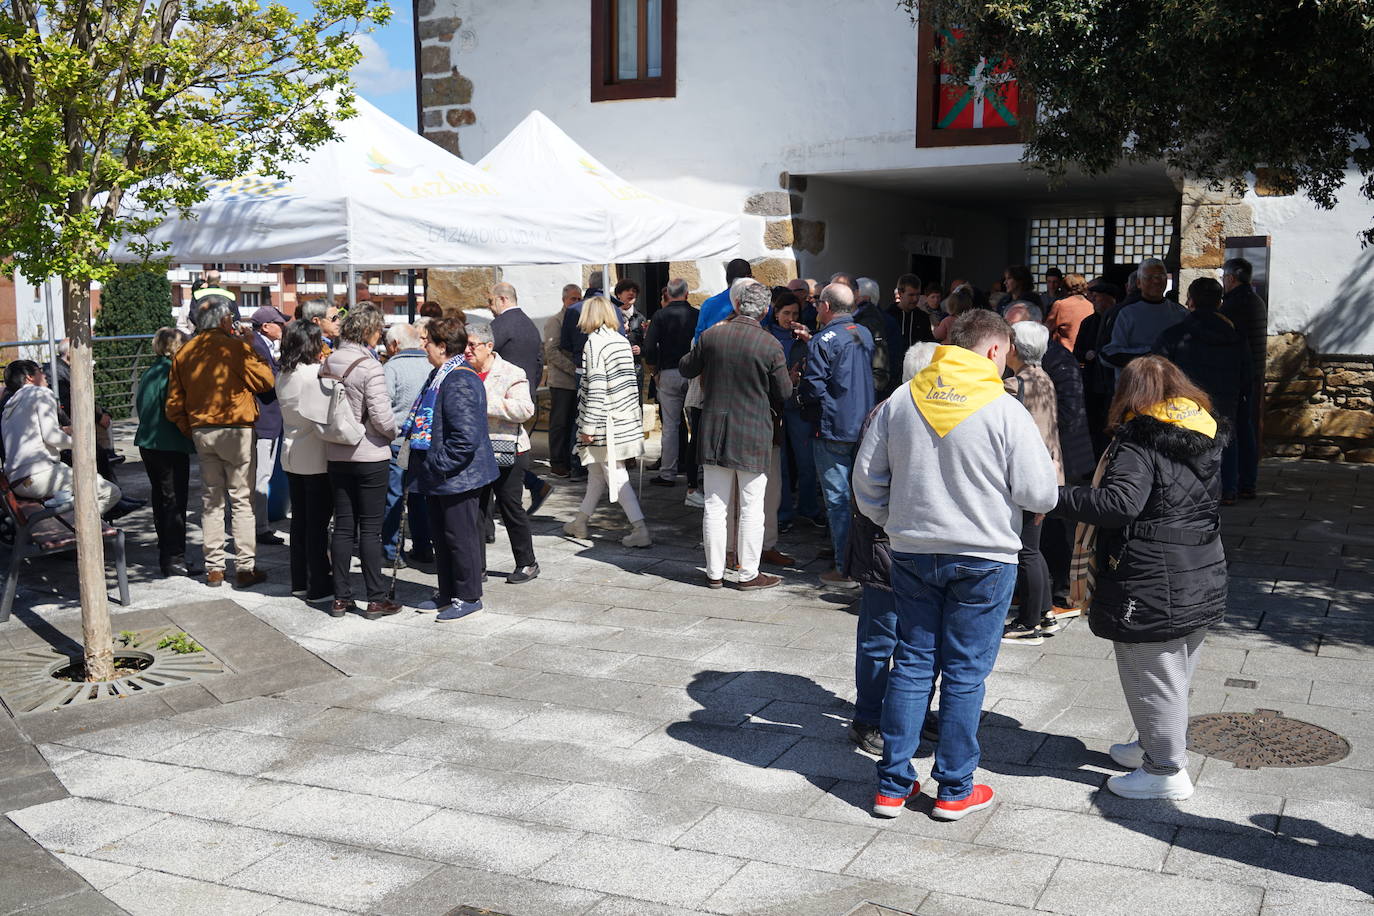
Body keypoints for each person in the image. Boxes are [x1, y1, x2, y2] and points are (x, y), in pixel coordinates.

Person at [853, 309, 1058, 821]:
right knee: (965, 674)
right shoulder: (1005, 409)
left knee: (913, 662)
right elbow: (1040, 492)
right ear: (993, 350)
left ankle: (892, 785)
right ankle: (953, 788)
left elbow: (866, 484)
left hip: (913, 552)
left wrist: (898, 521)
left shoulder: (902, 400)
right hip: (985, 556)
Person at [1055, 355, 1228, 800]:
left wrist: (1056, 497)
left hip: (1153, 578)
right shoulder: (1203, 431)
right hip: (1201, 568)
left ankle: (1165, 769)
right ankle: (1151, 744)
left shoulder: (1139, 441)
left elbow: (1118, 506)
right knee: (1176, 669)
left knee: (1151, 672)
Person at [847, 341, 937, 754]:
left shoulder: (931, 414)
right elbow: (867, 485)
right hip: (885, 542)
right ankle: (868, 717)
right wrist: (891, 525)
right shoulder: (888, 414)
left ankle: (911, 709)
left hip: (918, 542)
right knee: (880, 637)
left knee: (920, 636)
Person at [679, 282, 791, 590]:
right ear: (766, 310)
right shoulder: (769, 345)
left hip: (715, 428)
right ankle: (748, 573)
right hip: (754, 431)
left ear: (737, 305)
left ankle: (714, 572)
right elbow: (784, 391)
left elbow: (687, 367)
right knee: (752, 506)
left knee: (715, 504)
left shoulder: (713, 335)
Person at [166, 300, 275, 588]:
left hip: (203, 430)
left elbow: (174, 403)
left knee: (211, 501)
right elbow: (265, 381)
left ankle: (214, 567)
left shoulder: (185, 351)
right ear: (225, 321)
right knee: (241, 500)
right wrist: (251, 346)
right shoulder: (235, 347)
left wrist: (190, 428)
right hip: (237, 428)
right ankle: (244, 566)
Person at [409, 317, 499, 621]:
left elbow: (465, 437)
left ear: (443, 346)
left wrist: (437, 464)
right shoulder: (441, 374)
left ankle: (468, 595)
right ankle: (448, 593)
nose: (424, 347)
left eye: (427, 341)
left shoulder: (459, 378)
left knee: (460, 538)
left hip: (457, 475)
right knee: (443, 537)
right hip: (441, 476)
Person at [320, 305, 401, 620]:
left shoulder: (329, 361)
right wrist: (394, 432)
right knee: (370, 529)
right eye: (378, 329)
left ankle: (340, 598)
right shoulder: (370, 366)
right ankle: (376, 599)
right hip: (368, 452)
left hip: (336, 452)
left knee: (342, 526)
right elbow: (381, 416)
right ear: (369, 331)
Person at [801, 282, 875, 587]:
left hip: (833, 427)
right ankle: (854, 555)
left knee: (837, 499)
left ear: (826, 307)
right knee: (860, 498)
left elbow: (813, 388)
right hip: (863, 425)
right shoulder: (863, 333)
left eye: (819, 303)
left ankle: (845, 567)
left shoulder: (822, 340)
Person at [1153, 277, 1252, 503]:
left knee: (1189, 443)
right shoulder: (1236, 335)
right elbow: (1248, 372)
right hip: (1227, 397)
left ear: (1190, 301)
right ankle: (1228, 490)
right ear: (1219, 302)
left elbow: (1159, 369)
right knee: (1227, 441)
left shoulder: (1174, 334)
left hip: (1187, 400)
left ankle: (1192, 491)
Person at [564, 296, 652, 548]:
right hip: (623, 417)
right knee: (597, 472)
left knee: (614, 474)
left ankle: (640, 528)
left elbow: (597, 388)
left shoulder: (595, 343)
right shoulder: (621, 341)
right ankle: (580, 521)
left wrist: (588, 427)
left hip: (605, 422)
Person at [1000, 320, 1065, 644]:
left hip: (1030, 477)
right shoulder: (1043, 378)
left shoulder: (1015, 385)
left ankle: (1029, 622)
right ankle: (1044, 613)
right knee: (1032, 548)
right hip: (1047, 474)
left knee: (1026, 550)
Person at [465, 320, 540, 584]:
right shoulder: (463, 371)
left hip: (508, 450)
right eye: (465, 344)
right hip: (474, 452)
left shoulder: (511, 372)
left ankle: (527, 562)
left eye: (472, 345)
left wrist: (484, 403)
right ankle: (477, 567)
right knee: (476, 510)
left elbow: (525, 410)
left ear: (488, 346)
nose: (467, 350)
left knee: (510, 508)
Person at [3, 360, 122, 514]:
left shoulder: (9, 407)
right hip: (40, 475)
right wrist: (81, 444)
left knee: (78, 490)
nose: (44, 374)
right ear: (29, 377)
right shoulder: (40, 393)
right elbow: (52, 437)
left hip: (18, 481)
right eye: (39, 370)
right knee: (111, 492)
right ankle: (77, 532)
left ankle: (69, 521)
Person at [275, 321, 335, 608]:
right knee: (317, 526)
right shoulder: (315, 374)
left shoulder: (283, 374)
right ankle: (319, 584)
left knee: (300, 523)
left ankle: (299, 581)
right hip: (316, 455)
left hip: (292, 453)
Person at [134, 329, 197, 576]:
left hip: (149, 443)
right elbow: (176, 409)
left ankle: (168, 552)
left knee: (161, 499)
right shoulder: (173, 372)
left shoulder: (151, 371)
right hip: (169, 444)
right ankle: (174, 558)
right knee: (174, 501)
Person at [488, 282, 552, 513]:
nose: (489, 307)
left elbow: (483, 356)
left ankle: (533, 486)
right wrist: (529, 391)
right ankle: (534, 486)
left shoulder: (501, 324)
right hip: (523, 397)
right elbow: (537, 363)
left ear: (503, 299)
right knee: (509, 449)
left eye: (490, 301)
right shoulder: (529, 324)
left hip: (502, 399)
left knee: (500, 449)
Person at [765, 293, 823, 530]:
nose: (790, 318)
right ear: (776, 313)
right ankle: (783, 513)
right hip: (775, 406)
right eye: (786, 313)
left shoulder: (804, 338)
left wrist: (809, 341)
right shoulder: (765, 336)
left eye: (795, 313)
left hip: (799, 406)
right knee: (781, 464)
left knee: (806, 461)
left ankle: (808, 508)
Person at [381, 322, 434, 565]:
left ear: (394, 345)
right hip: (425, 441)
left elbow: (384, 406)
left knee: (394, 497)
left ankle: (393, 552)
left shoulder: (391, 368)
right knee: (420, 497)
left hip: (398, 441)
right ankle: (423, 547)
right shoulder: (431, 365)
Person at [1220, 257, 1267, 500]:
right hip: (1253, 372)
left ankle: (1237, 481)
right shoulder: (1256, 300)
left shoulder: (1233, 305)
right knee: (1246, 427)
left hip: (1237, 374)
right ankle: (1248, 481)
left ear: (1231, 278)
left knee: (1235, 428)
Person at [643, 278, 697, 488]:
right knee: (697, 424)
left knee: (670, 427)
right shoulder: (696, 314)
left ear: (669, 294)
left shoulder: (660, 315)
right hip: (693, 372)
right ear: (687, 293)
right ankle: (698, 471)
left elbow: (648, 347)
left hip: (669, 372)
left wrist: (654, 369)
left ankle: (668, 473)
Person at [1101, 258, 1188, 372]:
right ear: (1138, 283)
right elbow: (1107, 354)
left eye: (1161, 276)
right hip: (1135, 384)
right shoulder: (1124, 313)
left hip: (1170, 384)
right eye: (1149, 277)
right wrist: (1150, 354)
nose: (1156, 281)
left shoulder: (1180, 313)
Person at [248, 306, 288, 546]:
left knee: (262, 473)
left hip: (268, 419)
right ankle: (259, 527)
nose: (282, 327)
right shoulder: (256, 346)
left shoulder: (261, 345)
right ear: (265, 326)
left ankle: (258, 524)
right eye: (279, 323)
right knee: (261, 475)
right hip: (264, 420)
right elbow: (268, 381)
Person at [542, 283, 582, 478]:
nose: (576, 302)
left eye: (579, 298)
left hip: (576, 380)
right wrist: (574, 369)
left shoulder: (579, 319)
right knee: (559, 423)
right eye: (572, 299)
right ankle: (557, 462)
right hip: (561, 381)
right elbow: (551, 352)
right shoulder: (555, 321)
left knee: (574, 422)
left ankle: (571, 460)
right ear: (564, 300)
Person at [853, 277, 896, 397]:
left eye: (855, 297)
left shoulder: (865, 322)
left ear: (866, 298)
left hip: (872, 388)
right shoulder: (889, 320)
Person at [694, 259, 752, 341]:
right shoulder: (760, 304)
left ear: (727, 278)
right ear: (748, 277)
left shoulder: (709, 304)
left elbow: (699, 338)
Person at [885, 274, 935, 356]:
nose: (915, 299)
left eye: (918, 294)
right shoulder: (888, 317)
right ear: (900, 293)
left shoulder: (923, 317)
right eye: (911, 295)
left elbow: (929, 344)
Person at [1044, 273, 1094, 352]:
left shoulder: (1061, 305)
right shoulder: (1091, 305)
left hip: (1064, 353)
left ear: (1064, 287)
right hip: (1085, 353)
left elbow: (1046, 330)